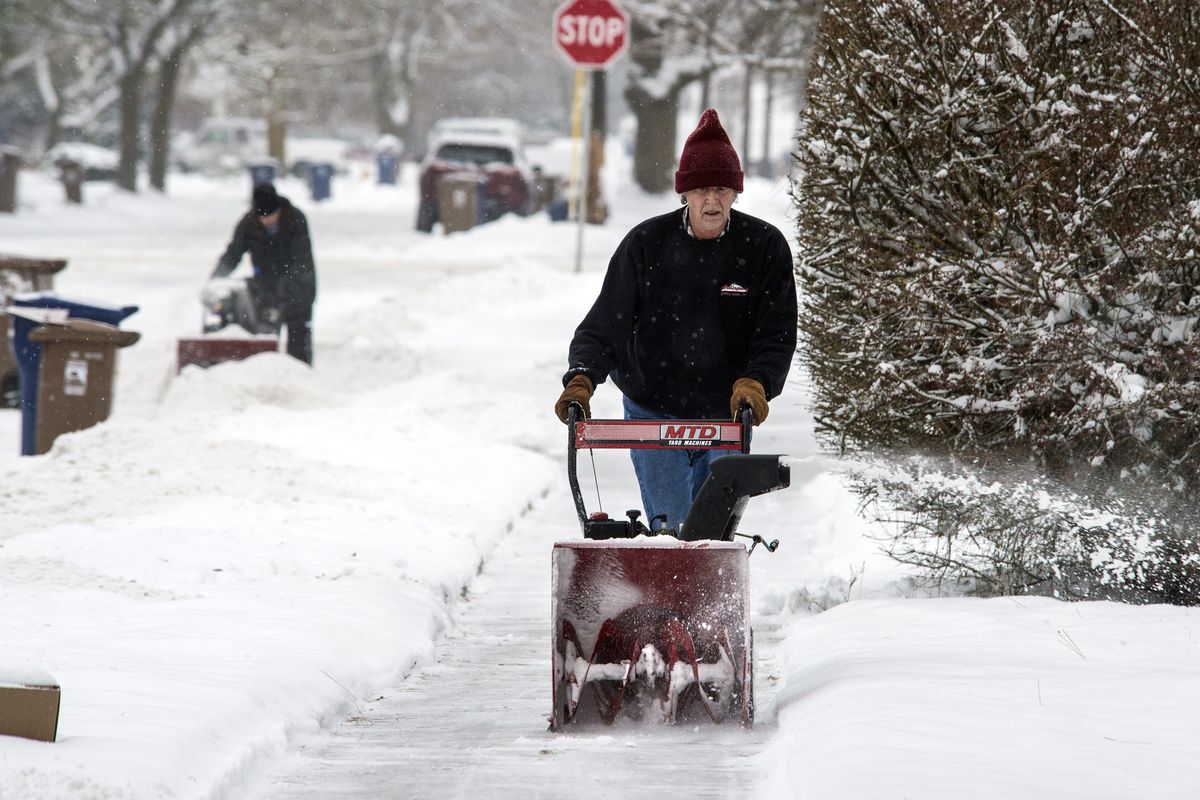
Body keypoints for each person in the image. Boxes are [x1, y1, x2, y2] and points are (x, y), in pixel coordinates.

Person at [554, 108, 797, 533]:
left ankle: (710, 598)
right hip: (653, 410)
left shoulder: (763, 248)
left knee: (711, 534)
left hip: (727, 414)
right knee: (670, 531)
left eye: (722, 189)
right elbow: (605, 323)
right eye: (702, 189)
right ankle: (669, 593)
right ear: (684, 192)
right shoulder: (647, 245)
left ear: (736, 193)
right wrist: (582, 379)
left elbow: (775, 335)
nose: (712, 200)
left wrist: (757, 382)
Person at [212, 182, 317, 364]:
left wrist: (288, 284)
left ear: (279, 210)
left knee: (298, 340)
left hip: (299, 289)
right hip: (265, 288)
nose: (268, 221)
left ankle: (300, 376)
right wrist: (216, 279)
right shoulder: (249, 223)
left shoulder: (295, 219)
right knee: (265, 339)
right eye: (263, 217)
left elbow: (302, 260)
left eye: (272, 216)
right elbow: (233, 253)